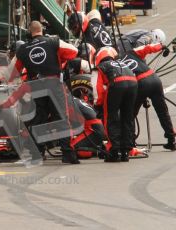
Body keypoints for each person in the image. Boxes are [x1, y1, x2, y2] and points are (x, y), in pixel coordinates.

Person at [9, 21, 89, 164]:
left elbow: (12, 73)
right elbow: (74, 52)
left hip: (35, 86)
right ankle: (67, 154)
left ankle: (38, 153)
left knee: (39, 119)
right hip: (54, 84)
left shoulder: (23, 49)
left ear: (29, 32)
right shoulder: (54, 42)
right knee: (62, 117)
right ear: (42, 30)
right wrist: (59, 58)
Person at [119, 42, 176, 151]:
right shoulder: (132, 52)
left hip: (140, 83)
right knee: (163, 112)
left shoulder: (116, 63)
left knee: (130, 114)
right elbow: (147, 48)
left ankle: (130, 143)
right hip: (155, 79)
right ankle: (171, 140)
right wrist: (161, 46)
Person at [95, 47, 138, 162]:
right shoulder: (122, 63)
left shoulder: (101, 67)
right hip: (133, 84)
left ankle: (114, 151)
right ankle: (125, 152)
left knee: (111, 117)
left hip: (117, 84)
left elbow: (100, 89)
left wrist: (98, 105)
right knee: (127, 118)